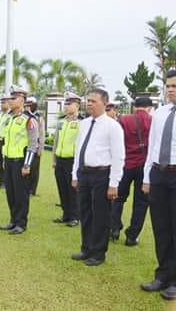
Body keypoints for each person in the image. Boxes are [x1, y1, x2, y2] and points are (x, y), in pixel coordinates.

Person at [70, 88, 124, 267]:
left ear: (105, 103)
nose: (89, 104)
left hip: (102, 174)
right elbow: (78, 150)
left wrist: (114, 183)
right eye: (88, 101)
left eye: (93, 101)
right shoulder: (84, 123)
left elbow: (118, 156)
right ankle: (86, 248)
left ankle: (98, 252)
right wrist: (75, 173)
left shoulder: (112, 126)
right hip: (84, 174)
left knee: (100, 214)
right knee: (85, 212)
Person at [141, 69, 176, 299]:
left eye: (175, 86)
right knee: (161, 228)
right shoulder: (160, 113)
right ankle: (162, 275)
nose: (170, 90)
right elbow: (152, 146)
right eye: (169, 86)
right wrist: (146, 177)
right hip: (158, 174)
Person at [110, 96, 153, 245]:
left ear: (134, 106)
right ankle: (132, 236)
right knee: (141, 202)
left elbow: (116, 142)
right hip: (144, 166)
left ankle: (114, 228)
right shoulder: (153, 121)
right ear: (149, 108)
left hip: (125, 164)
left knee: (118, 197)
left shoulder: (124, 119)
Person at [0, 87, 39, 234]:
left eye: (13, 98)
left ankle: (21, 223)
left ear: (22, 100)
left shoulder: (29, 119)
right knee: (10, 192)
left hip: (21, 161)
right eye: (10, 98)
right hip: (9, 160)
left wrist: (27, 164)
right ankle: (13, 220)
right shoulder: (10, 118)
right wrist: (4, 158)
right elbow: (7, 141)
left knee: (21, 193)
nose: (10, 101)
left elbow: (32, 144)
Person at [52, 92, 82, 228]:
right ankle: (66, 214)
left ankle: (75, 216)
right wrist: (54, 159)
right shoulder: (61, 122)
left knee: (73, 189)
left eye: (69, 104)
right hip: (60, 159)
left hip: (72, 160)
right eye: (66, 103)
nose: (66, 106)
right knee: (62, 187)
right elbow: (55, 142)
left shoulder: (82, 122)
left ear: (77, 105)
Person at [25, 97, 45, 196]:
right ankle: (26, 188)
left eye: (30, 105)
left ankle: (32, 189)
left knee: (34, 170)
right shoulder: (25, 116)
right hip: (27, 146)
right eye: (27, 105)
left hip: (36, 146)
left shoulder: (38, 117)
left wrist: (40, 148)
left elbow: (41, 133)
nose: (28, 107)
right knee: (27, 167)